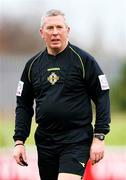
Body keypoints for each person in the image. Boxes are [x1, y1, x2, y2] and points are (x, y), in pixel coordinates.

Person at [13, 9, 111, 180]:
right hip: (46, 142)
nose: (55, 32)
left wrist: (99, 136)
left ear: (68, 30)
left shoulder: (84, 61)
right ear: (42, 33)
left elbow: (102, 96)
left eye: (60, 27)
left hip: (76, 140)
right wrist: (19, 141)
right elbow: (23, 104)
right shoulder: (32, 66)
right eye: (50, 28)